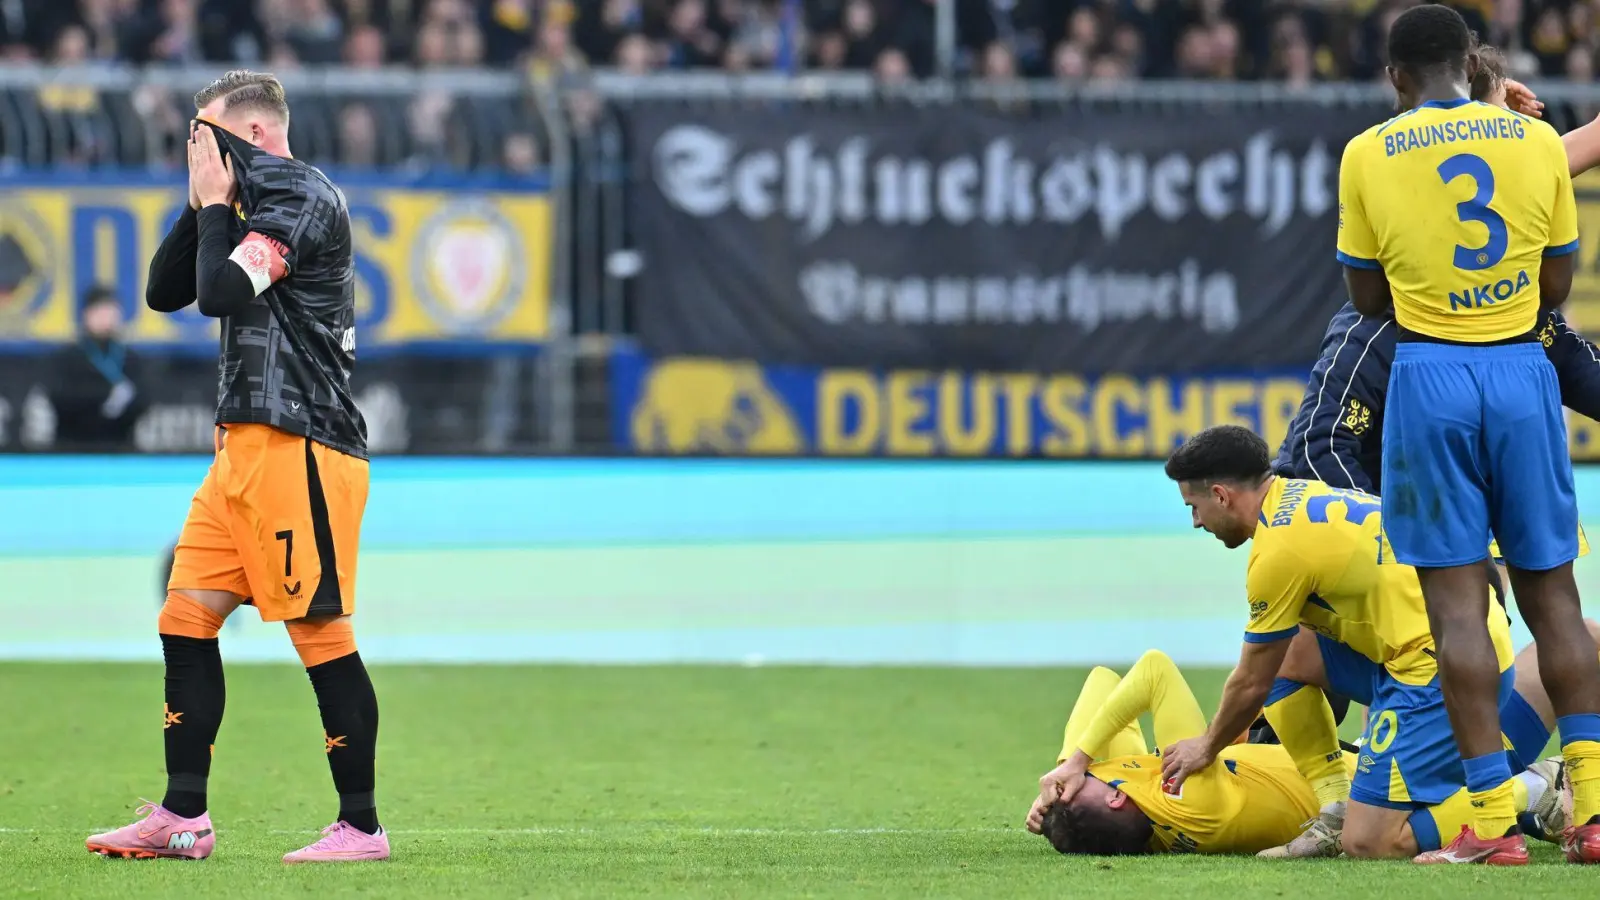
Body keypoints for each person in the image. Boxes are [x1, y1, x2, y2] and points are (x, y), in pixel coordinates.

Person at [84, 70, 385, 864]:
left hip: (304, 445)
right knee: (184, 618)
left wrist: (217, 206)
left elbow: (218, 292)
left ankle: (361, 826)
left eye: (203, 132)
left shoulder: (301, 198)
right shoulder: (241, 202)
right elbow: (161, 291)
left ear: (251, 135)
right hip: (240, 451)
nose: (193, 146)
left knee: (320, 632)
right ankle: (184, 818)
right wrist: (202, 203)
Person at [1337, 4, 1600, 864]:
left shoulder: (1367, 154)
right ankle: (1593, 815)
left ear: (1395, 77)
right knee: (1554, 599)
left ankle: (1490, 826)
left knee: (1457, 608)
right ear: (1471, 60)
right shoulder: (1533, 139)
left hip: (1431, 377)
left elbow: (1367, 299)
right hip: (1524, 374)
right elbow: (1556, 284)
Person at [1158, 426, 1524, 863]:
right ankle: (1334, 806)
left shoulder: (1278, 552)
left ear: (1220, 495)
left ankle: (1530, 789)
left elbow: (1251, 683)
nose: (1196, 521)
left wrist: (1206, 746)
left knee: (1370, 843)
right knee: (1287, 654)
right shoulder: (1302, 494)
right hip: (1451, 646)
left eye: (1194, 508)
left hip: (1441, 670)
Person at [1027, 648, 1567, 857]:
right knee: (1560, 651)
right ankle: (1535, 789)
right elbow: (1153, 670)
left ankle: (1528, 792)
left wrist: (1067, 769)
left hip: (1374, 755)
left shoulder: (1137, 803)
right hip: (1406, 770)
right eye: (1090, 779)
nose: (1087, 771)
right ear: (1118, 799)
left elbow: (1101, 679)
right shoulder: (1182, 791)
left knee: (1564, 649)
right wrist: (1076, 762)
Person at [49, 286, 145, 451]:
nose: (106, 318)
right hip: (73, 446)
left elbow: (144, 397)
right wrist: (105, 397)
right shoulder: (68, 357)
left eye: (111, 312)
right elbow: (61, 398)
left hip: (120, 446)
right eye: (100, 312)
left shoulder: (130, 358)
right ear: (86, 315)